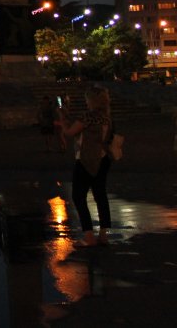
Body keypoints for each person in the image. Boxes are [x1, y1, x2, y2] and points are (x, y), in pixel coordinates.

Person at [62, 85, 114, 246]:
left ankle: (89, 235)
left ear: (90, 100)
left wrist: (62, 121)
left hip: (85, 159)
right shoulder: (107, 117)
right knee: (100, 195)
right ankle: (104, 234)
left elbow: (69, 133)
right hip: (103, 158)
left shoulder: (87, 116)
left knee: (79, 196)